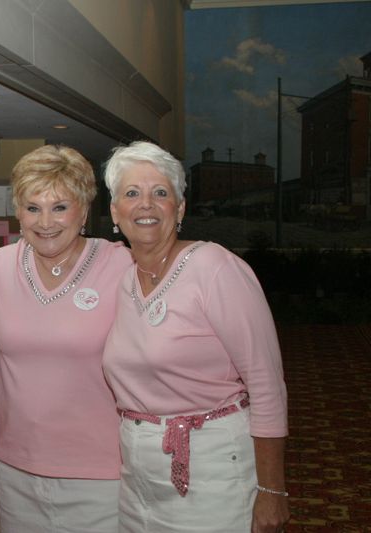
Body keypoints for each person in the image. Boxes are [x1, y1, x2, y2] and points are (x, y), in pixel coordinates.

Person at [101, 140, 289, 532]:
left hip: (213, 468)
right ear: (115, 212)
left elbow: (267, 384)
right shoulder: (124, 281)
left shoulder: (215, 267)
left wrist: (272, 490)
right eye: (132, 193)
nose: (146, 204)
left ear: (180, 208)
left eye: (161, 193)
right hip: (138, 475)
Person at [0, 144, 133, 532]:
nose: (45, 221)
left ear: (84, 210)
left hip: (100, 473)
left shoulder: (122, 266)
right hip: (16, 470)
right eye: (33, 208)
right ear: (18, 211)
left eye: (60, 207)